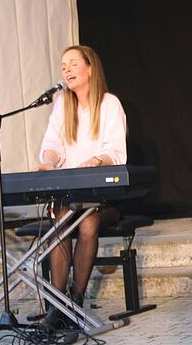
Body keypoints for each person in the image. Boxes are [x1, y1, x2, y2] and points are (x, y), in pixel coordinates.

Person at [35, 45, 128, 332]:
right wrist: (48, 161)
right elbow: (52, 145)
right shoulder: (62, 105)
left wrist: (96, 161)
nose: (66, 70)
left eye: (73, 64)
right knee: (62, 222)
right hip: (70, 197)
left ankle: (75, 301)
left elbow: (115, 151)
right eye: (63, 65)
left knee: (87, 223)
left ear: (90, 68)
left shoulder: (109, 104)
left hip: (102, 198)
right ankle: (57, 305)